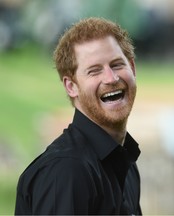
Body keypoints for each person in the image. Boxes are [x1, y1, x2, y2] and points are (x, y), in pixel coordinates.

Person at [15, 17, 141, 215]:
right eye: (94, 71)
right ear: (71, 86)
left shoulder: (125, 164)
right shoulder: (66, 171)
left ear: (132, 68)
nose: (111, 78)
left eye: (117, 65)